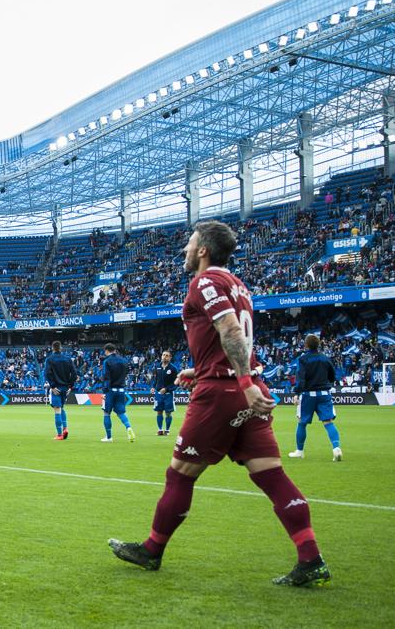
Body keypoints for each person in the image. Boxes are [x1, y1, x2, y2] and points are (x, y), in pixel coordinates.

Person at [109, 220, 330, 587]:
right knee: (271, 474)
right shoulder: (238, 285)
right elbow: (230, 338)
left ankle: (151, 550)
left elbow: (230, 331)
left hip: (226, 392)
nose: (184, 250)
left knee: (179, 473)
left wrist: (238, 382)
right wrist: (204, 369)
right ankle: (311, 558)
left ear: (203, 251)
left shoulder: (204, 281)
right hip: (242, 386)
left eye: (189, 243)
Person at [288, 334, 343, 461]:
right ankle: (336, 448)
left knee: (302, 422)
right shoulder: (325, 358)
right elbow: (332, 376)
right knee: (328, 422)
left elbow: (301, 378)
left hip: (308, 395)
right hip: (324, 394)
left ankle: (300, 451)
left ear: (306, 345)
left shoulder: (303, 359)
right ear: (318, 344)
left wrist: (296, 393)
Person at [100, 344, 134, 442]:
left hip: (111, 390)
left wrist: (105, 391)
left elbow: (106, 377)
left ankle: (109, 437)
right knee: (121, 412)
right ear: (115, 350)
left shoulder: (107, 361)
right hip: (121, 390)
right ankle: (129, 428)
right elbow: (126, 373)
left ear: (106, 350)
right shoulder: (124, 360)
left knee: (106, 413)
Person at [45, 341, 77, 440]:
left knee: (57, 410)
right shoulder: (68, 359)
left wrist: (53, 386)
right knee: (62, 408)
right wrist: (70, 386)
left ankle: (59, 434)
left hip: (56, 388)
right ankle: (65, 428)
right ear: (61, 348)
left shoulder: (49, 359)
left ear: (52, 348)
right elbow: (74, 374)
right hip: (65, 388)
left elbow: (47, 373)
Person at [152, 350, 180, 436]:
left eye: (167, 355)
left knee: (168, 413)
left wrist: (167, 389)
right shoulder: (157, 367)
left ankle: (167, 430)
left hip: (168, 395)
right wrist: (153, 387)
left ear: (170, 357)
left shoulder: (173, 368)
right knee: (159, 411)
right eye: (163, 355)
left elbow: (176, 383)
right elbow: (156, 379)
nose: (164, 356)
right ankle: (160, 430)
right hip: (158, 394)